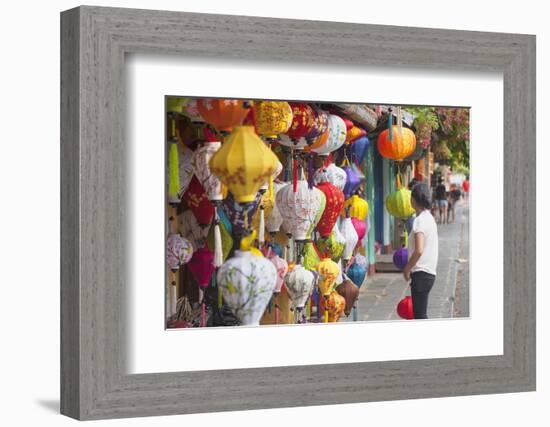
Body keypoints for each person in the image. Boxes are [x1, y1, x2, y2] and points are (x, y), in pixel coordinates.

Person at [403, 183, 439, 319]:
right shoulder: (429, 218)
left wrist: (407, 268)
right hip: (428, 273)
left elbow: (419, 250)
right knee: (420, 314)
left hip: (421, 274)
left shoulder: (419, 220)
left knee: (420, 316)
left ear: (413, 199)